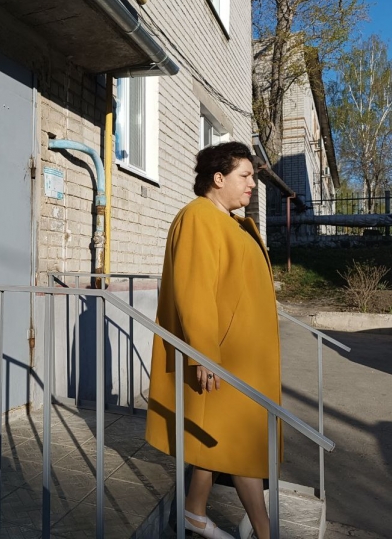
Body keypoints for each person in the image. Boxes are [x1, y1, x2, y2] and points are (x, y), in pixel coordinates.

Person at [145, 141, 281, 539]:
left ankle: (194, 510)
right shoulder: (199, 216)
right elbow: (195, 291)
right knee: (237, 444)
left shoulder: (230, 222)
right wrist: (204, 354)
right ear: (218, 179)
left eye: (252, 176)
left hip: (242, 356)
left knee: (219, 437)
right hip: (223, 356)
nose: (252, 183)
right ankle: (264, 531)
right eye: (245, 175)